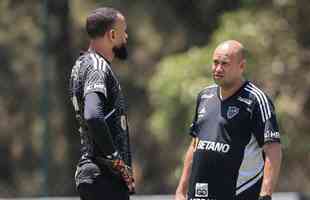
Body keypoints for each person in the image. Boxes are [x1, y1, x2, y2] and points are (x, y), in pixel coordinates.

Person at [175, 40, 282, 200]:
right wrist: (181, 190)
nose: (218, 68)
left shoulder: (256, 100)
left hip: (238, 194)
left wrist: (265, 194)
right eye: (215, 62)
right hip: (198, 195)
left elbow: (273, 149)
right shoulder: (204, 96)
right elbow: (195, 145)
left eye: (224, 63)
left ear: (242, 66)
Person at [69, 7, 135, 200]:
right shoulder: (97, 67)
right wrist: (117, 161)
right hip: (104, 177)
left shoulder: (81, 64)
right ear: (112, 34)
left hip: (94, 175)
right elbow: (93, 115)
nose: (126, 37)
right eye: (123, 32)